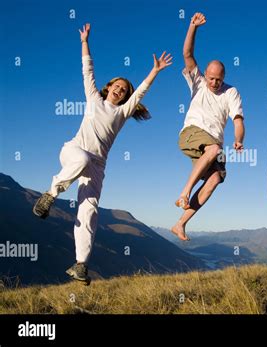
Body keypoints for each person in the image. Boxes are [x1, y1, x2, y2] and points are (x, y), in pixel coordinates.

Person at [32, 23, 173, 285]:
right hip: (73, 152)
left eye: (124, 90)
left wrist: (154, 71)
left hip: (97, 166)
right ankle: (50, 195)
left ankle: (81, 265)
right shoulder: (94, 99)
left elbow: (141, 90)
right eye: (117, 86)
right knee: (81, 159)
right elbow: (88, 71)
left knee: (89, 210)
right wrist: (85, 41)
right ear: (108, 88)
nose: (120, 90)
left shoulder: (121, 113)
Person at [171, 12, 245, 241]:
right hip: (192, 133)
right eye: (211, 78)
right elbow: (187, 53)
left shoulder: (231, 92)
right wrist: (193, 26)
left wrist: (239, 139)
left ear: (224, 77)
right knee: (213, 149)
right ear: (207, 75)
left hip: (211, 143)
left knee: (216, 179)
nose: (213, 83)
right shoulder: (198, 82)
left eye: (218, 80)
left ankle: (181, 224)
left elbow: (238, 119)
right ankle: (184, 193)